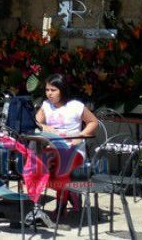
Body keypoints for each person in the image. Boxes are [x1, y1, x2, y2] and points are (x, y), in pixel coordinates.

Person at [35, 73, 98, 215]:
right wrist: (45, 127)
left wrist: (81, 136)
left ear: (62, 90)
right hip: (52, 148)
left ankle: (61, 204)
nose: (49, 93)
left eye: (53, 90)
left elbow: (93, 122)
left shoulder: (75, 106)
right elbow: (35, 122)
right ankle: (69, 193)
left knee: (61, 165)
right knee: (35, 166)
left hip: (73, 149)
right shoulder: (46, 106)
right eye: (47, 90)